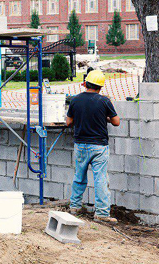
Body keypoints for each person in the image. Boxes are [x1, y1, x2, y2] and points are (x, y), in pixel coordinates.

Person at [66, 70, 120, 223]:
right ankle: (102, 213)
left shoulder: (75, 100)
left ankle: (75, 207)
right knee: (100, 179)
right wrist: (105, 117)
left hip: (81, 145)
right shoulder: (104, 101)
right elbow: (116, 122)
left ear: (86, 83)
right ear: (100, 87)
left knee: (79, 176)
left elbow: (68, 122)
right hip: (99, 146)